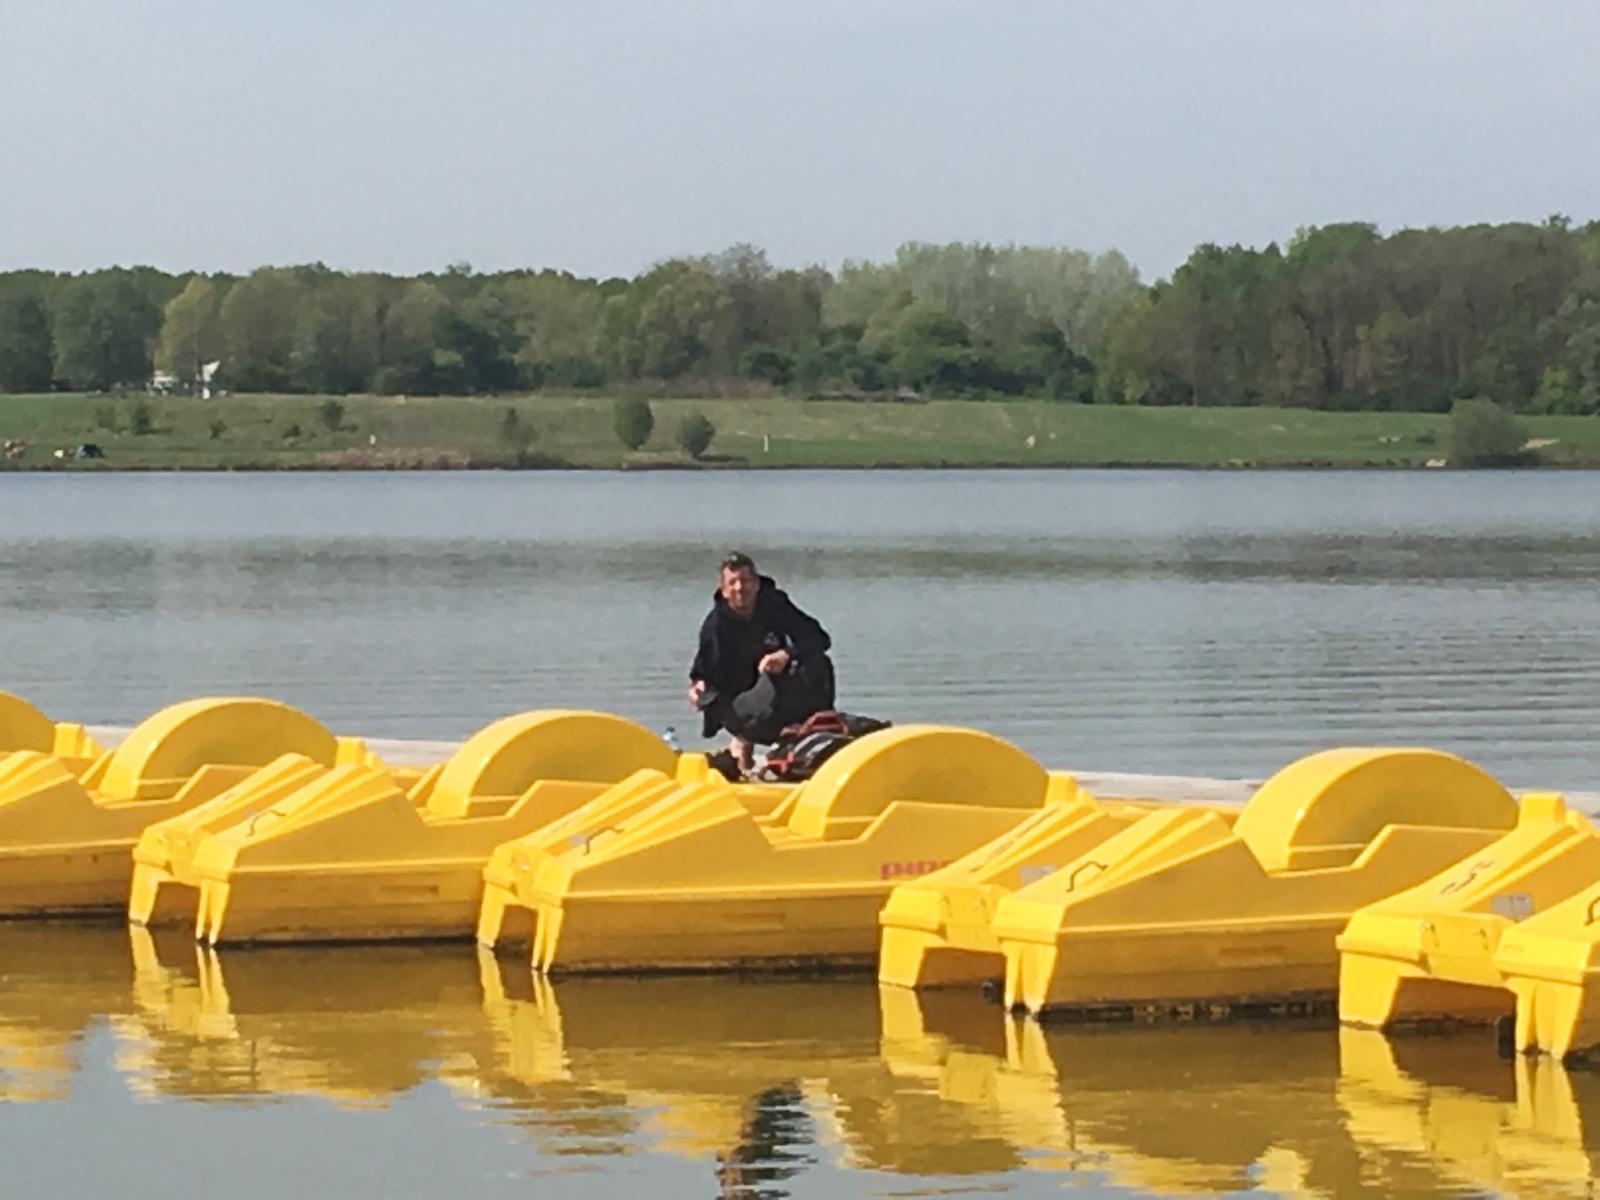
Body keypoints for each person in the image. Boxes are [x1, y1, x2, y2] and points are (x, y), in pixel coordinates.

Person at [688, 552, 835, 775]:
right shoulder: (716, 626)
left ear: (756, 584)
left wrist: (786, 654)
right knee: (762, 690)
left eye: (745, 581)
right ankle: (745, 744)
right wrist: (698, 688)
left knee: (816, 662)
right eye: (733, 583)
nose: (740, 588)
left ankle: (817, 724)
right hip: (740, 701)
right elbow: (703, 673)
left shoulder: (774, 604)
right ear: (724, 590)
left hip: (775, 686)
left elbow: (819, 638)